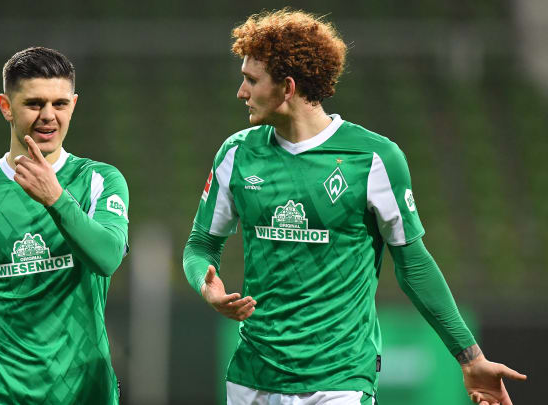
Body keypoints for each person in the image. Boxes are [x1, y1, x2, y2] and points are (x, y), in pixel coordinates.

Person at [182, 9, 526, 405]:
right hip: (251, 379)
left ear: (287, 87)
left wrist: (470, 356)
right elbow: (200, 245)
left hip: (339, 382)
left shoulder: (375, 158)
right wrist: (207, 287)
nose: (241, 92)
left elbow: (413, 264)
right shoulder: (236, 154)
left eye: (251, 80)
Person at [0, 47, 129, 405]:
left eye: (60, 104)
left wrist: (56, 199)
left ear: (74, 105)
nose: (48, 116)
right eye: (34, 103)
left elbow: (108, 257)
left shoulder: (97, 180)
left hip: (83, 395)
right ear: (6, 106)